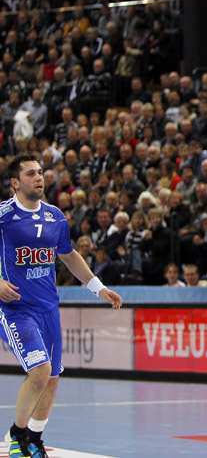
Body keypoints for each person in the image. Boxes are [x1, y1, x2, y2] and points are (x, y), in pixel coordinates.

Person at [0, 154, 122, 458]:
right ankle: (17, 436)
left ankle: (34, 439)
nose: (39, 178)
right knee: (40, 371)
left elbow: (68, 255)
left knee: (52, 380)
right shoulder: (3, 216)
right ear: (15, 183)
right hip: (15, 309)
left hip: (48, 309)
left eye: (40, 172)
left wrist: (99, 288)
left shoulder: (55, 216)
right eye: (31, 173)